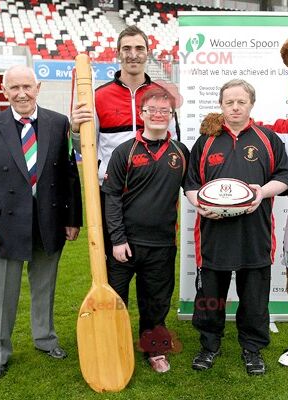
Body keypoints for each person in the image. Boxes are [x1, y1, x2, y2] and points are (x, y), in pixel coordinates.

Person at [185, 79, 288, 375]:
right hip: (214, 235)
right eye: (229, 102)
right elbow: (191, 183)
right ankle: (209, 346)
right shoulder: (206, 141)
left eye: (241, 102)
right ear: (221, 105)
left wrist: (261, 192)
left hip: (254, 235)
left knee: (254, 298)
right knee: (210, 297)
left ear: (251, 104)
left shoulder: (267, 139)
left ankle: (252, 349)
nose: (235, 107)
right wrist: (202, 205)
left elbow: (285, 178)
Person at [70, 25, 180, 288]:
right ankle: (113, 325)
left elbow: (174, 143)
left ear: (147, 53)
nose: (133, 54)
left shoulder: (162, 96)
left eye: (139, 48)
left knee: (154, 275)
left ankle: (152, 327)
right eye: (127, 49)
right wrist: (75, 130)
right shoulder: (99, 96)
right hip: (112, 194)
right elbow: (83, 148)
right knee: (114, 272)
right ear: (118, 53)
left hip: (154, 195)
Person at [0, 65, 82, 380]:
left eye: (26, 86)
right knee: (1, 295)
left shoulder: (59, 124)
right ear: (5, 91)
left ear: (38, 87)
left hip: (49, 220)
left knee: (45, 287)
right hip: (4, 224)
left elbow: (70, 174)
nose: (21, 93)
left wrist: (73, 219)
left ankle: (45, 340)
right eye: (14, 88)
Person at [101, 87, 189, 373]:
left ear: (172, 116)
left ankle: (154, 350)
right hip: (124, 244)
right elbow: (112, 196)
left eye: (166, 111)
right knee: (116, 300)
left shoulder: (180, 152)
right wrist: (116, 239)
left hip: (162, 244)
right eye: (153, 110)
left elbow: (194, 190)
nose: (159, 115)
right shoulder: (124, 151)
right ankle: (115, 346)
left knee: (156, 302)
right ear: (142, 114)